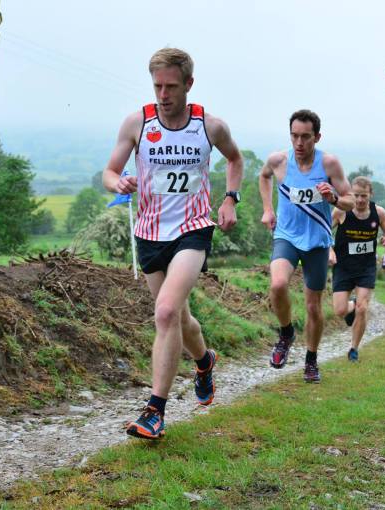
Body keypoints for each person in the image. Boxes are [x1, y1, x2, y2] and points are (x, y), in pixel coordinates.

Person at [103, 48, 244, 440]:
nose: (163, 94)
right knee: (179, 318)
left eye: (171, 86)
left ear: (188, 85)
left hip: (192, 228)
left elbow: (235, 160)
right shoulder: (138, 123)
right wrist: (120, 183)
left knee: (164, 313)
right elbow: (110, 171)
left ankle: (154, 411)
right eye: (157, 86)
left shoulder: (209, 126)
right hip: (150, 232)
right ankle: (204, 360)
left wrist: (231, 198)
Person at [259, 109, 354, 383]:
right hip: (287, 236)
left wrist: (334, 198)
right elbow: (263, 177)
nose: (299, 143)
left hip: (317, 241)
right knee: (277, 285)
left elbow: (350, 201)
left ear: (317, 137)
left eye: (306, 137)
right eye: (294, 136)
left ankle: (311, 360)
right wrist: (267, 209)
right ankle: (286, 333)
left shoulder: (329, 164)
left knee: (314, 307)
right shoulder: (278, 160)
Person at [329, 176, 385, 362]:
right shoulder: (340, 212)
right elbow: (325, 231)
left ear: (370, 195)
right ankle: (351, 307)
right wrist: (330, 251)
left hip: (366, 267)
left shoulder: (378, 213)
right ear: (350, 194)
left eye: (364, 196)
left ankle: (354, 348)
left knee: (363, 308)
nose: (359, 200)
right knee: (340, 311)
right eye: (356, 195)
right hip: (343, 267)